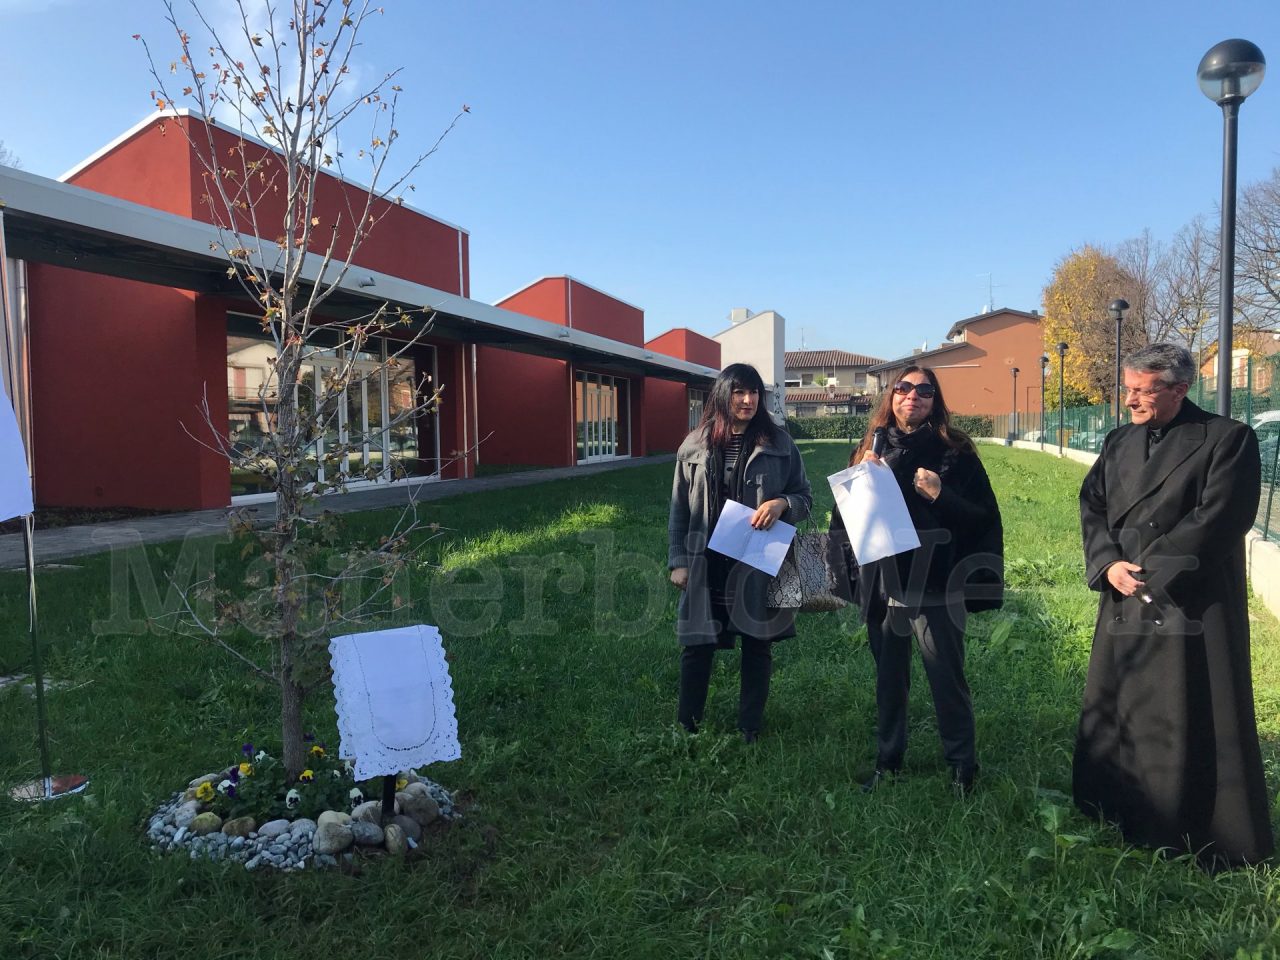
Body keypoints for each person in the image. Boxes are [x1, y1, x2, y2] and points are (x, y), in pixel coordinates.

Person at [1073, 343, 1273, 869]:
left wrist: (1147, 572)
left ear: (1179, 389)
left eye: (1141, 390)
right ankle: (1123, 806)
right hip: (1123, 591)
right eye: (1127, 387)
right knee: (1125, 704)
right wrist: (1108, 562)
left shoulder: (1228, 440)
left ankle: (1191, 823)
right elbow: (1091, 503)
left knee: (1192, 705)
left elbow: (1218, 519)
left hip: (1189, 600)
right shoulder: (1119, 441)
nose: (1129, 399)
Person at [830, 366, 1003, 794]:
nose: (913, 396)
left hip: (936, 582)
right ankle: (888, 762)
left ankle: (963, 767)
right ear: (890, 397)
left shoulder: (955, 452)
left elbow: (982, 518)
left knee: (947, 677)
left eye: (924, 390)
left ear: (935, 400)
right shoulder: (869, 450)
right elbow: (844, 523)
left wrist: (942, 494)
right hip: (884, 582)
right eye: (904, 388)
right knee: (889, 681)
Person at [668, 363, 813, 742]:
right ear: (723, 395)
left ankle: (749, 727)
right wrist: (678, 561)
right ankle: (688, 726)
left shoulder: (779, 444)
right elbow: (679, 509)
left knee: (757, 642)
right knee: (697, 644)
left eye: (753, 393)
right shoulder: (694, 445)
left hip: (756, 561)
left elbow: (805, 497)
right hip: (706, 560)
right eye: (739, 392)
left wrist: (782, 504)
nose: (747, 400)